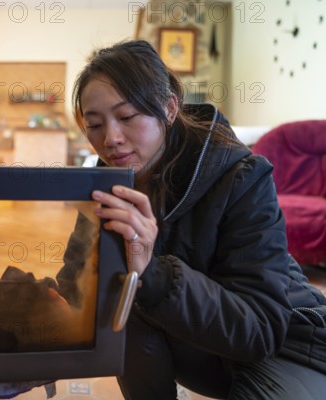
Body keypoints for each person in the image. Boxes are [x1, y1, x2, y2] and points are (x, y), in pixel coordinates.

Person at [57, 39, 326, 399]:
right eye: (94, 124)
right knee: (124, 288)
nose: (111, 139)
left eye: (126, 117)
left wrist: (151, 271)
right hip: (208, 348)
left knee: (140, 280)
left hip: (290, 343)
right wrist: (38, 349)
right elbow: (76, 288)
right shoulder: (106, 187)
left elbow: (260, 331)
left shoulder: (243, 177)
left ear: (169, 108)